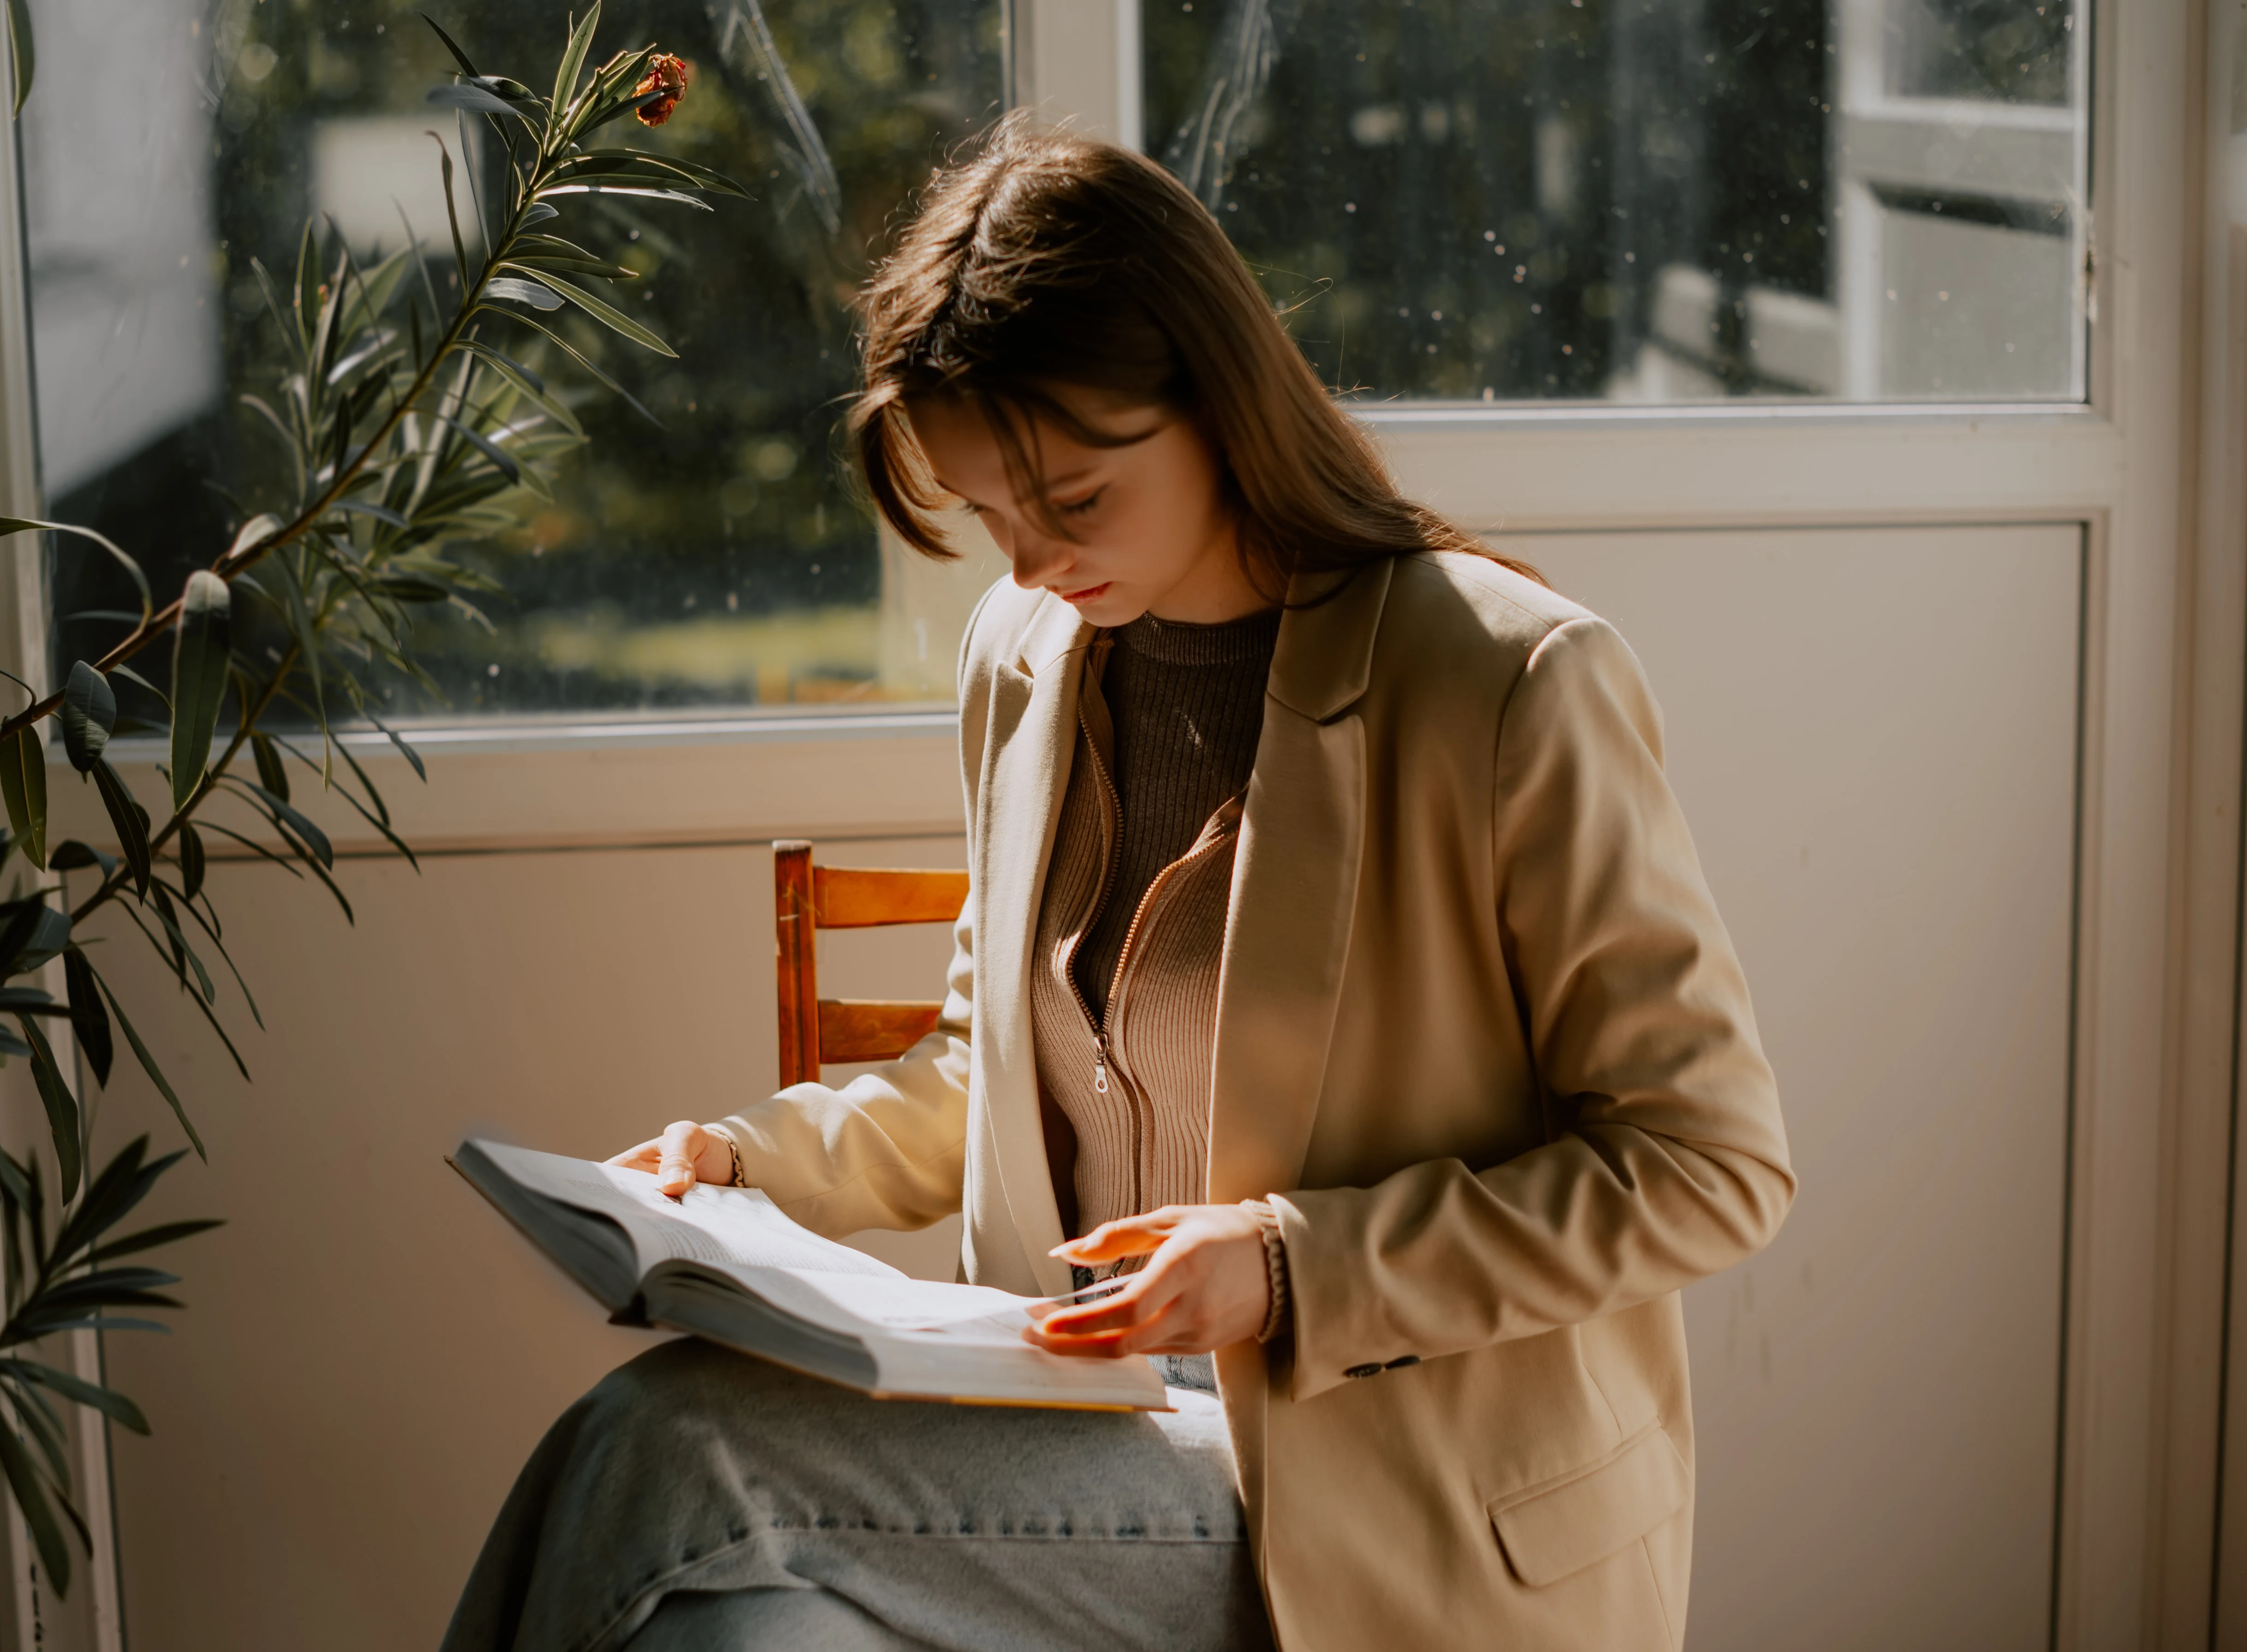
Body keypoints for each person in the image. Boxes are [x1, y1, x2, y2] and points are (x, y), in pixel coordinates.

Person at [441, 118, 1794, 1652]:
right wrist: (739, 1163)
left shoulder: (1504, 680)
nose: (1024, 563)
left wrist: (1290, 1267)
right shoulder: (1028, 659)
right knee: (703, 1617)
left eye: (1070, 502)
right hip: (1090, 1419)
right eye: (984, 515)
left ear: (1215, 404)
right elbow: (987, 1072)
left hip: (1388, 1489)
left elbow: (1708, 1165)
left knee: (671, 1448)